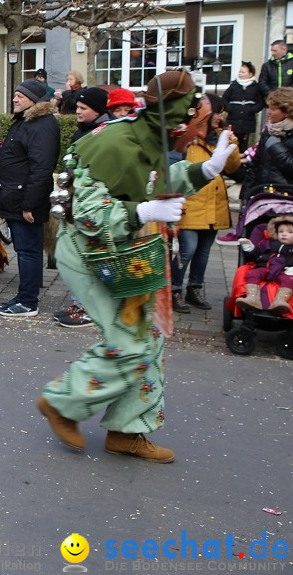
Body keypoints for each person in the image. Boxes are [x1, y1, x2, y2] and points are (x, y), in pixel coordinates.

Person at [37, 70, 235, 463]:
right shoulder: (115, 142)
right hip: (88, 254)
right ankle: (62, 402)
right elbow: (87, 211)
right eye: (199, 125)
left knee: (150, 340)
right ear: (176, 118)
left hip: (125, 254)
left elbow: (159, 179)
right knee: (130, 342)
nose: (200, 133)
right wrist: (142, 210)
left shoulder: (148, 139)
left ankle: (128, 431)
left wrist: (207, 169)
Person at [0, 78, 60, 317]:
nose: (14, 98)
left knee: (29, 251)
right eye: (15, 95)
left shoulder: (42, 124)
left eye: (20, 96)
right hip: (15, 197)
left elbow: (41, 168)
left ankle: (28, 302)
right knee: (24, 250)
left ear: (34, 100)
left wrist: (29, 204)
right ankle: (24, 296)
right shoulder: (26, 121)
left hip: (25, 201)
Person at [171, 99, 240, 313]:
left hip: (214, 204)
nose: (220, 117)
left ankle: (195, 288)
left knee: (203, 252)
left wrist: (232, 146)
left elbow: (233, 167)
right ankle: (174, 290)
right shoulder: (187, 137)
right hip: (192, 203)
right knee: (187, 250)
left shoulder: (219, 137)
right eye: (217, 112)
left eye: (222, 113)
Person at [51, 88, 110, 328]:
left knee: (93, 257)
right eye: (77, 107)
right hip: (77, 200)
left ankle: (91, 307)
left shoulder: (103, 134)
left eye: (83, 109)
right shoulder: (83, 132)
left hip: (94, 204)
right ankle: (80, 301)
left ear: (97, 110)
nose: (77, 112)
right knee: (79, 255)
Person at [236, 216, 293, 313]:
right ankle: (252, 298)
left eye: (290, 232)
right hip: (265, 267)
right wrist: (249, 247)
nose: (284, 234)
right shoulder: (269, 243)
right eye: (281, 232)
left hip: (283, 271)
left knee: (288, 280)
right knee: (252, 274)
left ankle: (281, 301)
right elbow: (257, 253)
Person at [244, 87, 293, 193]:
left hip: (287, 198)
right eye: (268, 108)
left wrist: (275, 146)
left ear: (287, 111)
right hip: (263, 194)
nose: (268, 113)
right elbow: (255, 165)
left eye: (273, 109)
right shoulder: (269, 130)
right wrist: (246, 195)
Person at [224, 62, 264, 152]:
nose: (240, 74)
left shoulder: (255, 87)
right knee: (231, 142)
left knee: (243, 143)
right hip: (233, 120)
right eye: (240, 72)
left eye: (243, 72)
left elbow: (260, 103)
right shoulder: (233, 86)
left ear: (250, 74)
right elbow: (224, 100)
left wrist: (252, 110)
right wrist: (230, 109)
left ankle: (241, 162)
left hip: (247, 121)